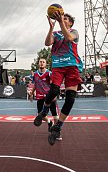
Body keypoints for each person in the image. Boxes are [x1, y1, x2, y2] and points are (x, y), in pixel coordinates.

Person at [33, 12, 83, 145]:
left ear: (70, 23)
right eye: (62, 18)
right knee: (54, 90)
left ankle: (58, 126)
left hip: (72, 65)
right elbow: (47, 43)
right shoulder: (55, 33)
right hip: (58, 66)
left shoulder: (74, 32)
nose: (63, 19)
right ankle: (43, 112)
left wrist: (61, 22)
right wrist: (50, 27)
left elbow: (69, 38)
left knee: (71, 97)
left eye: (66, 19)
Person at [29, 58, 59, 137]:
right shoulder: (35, 74)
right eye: (40, 62)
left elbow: (54, 84)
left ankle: (56, 132)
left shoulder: (49, 73)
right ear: (38, 63)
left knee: (55, 115)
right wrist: (32, 93)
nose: (42, 63)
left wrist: (54, 95)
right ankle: (49, 122)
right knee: (40, 115)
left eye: (43, 62)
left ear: (46, 64)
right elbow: (35, 84)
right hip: (40, 96)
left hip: (50, 96)